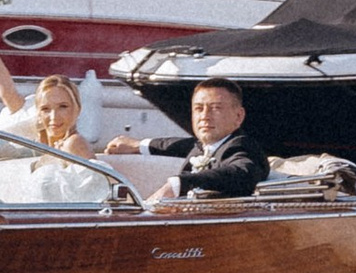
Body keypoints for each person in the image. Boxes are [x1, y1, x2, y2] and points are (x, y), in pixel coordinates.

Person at [0, 10, 100, 153]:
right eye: (45, 109)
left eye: (63, 107)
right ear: (38, 113)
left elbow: (95, 175)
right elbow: (5, 90)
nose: (54, 117)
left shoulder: (74, 144)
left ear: (77, 109)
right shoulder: (39, 141)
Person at [110, 77, 266, 202]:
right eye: (199, 108)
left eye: (216, 108)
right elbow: (180, 145)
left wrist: (179, 184)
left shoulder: (243, 147)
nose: (205, 116)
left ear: (238, 116)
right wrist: (139, 145)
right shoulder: (206, 145)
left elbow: (244, 172)